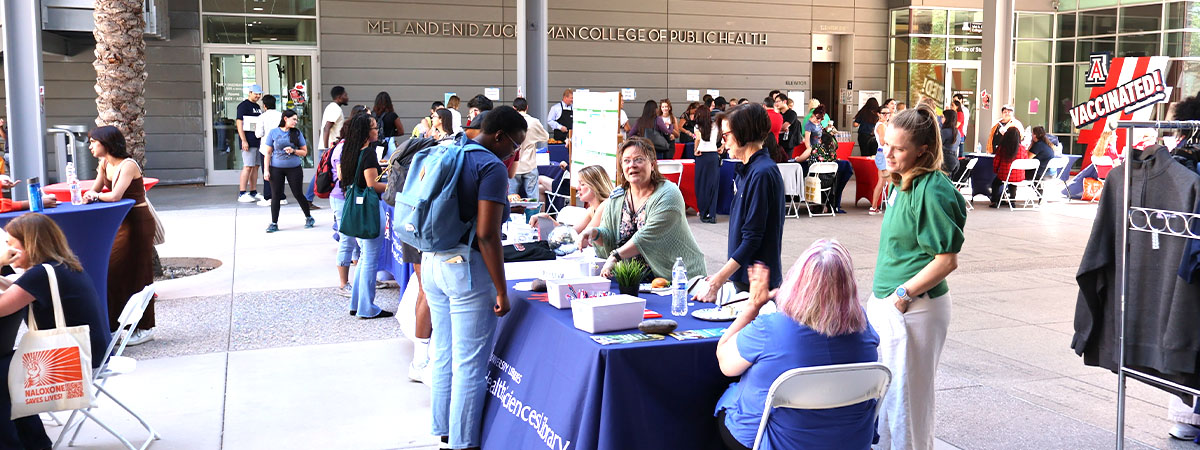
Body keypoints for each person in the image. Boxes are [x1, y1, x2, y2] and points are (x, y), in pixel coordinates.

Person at [423, 106, 526, 450]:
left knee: (444, 351)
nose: (515, 153)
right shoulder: (491, 166)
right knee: (470, 363)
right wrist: (502, 289)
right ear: (499, 136)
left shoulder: (450, 148)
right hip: (465, 268)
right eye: (515, 146)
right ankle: (463, 443)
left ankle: (443, 428)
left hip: (432, 261)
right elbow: (487, 235)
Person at [714, 240, 880, 450]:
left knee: (725, 398)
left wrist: (753, 307)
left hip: (775, 443)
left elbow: (725, 363)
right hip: (851, 441)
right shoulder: (864, 329)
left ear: (798, 281)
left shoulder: (770, 328)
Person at [868, 105, 966, 450]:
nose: (888, 153)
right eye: (886, 144)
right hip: (897, 305)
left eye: (899, 148)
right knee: (889, 398)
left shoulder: (932, 189)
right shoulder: (903, 181)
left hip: (915, 308)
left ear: (922, 150)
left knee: (908, 401)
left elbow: (947, 260)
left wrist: (902, 296)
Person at [0, 213, 112, 449]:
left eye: (10, 243)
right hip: (91, 352)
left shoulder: (41, 275)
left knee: (2, 373)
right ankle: (33, 443)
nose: (7, 248)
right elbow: (14, 286)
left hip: (74, 362)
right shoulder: (60, 266)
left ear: (29, 243)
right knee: (5, 373)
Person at [581, 137, 707, 280]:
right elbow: (611, 237)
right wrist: (595, 233)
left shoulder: (668, 194)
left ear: (653, 164)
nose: (632, 165)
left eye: (639, 159)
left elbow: (647, 236)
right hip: (633, 280)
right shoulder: (617, 197)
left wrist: (615, 256)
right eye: (626, 161)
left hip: (677, 280)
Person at [699, 104, 784, 299]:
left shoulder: (762, 173)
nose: (724, 142)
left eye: (726, 135)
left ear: (743, 133)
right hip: (745, 278)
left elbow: (752, 237)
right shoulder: (747, 170)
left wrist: (719, 279)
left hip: (757, 283)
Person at [82, 125, 157, 345]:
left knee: (139, 273)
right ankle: (113, 326)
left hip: (138, 222)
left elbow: (114, 196)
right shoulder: (104, 163)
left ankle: (145, 327)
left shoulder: (128, 165)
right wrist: (91, 195)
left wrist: (94, 196)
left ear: (106, 143)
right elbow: (96, 190)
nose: (90, 146)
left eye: (94, 142)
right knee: (113, 271)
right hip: (121, 223)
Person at [332, 113, 393, 320]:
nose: (377, 131)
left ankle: (357, 303)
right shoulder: (367, 153)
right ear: (366, 132)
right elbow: (372, 185)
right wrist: (395, 187)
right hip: (368, 208)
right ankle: (367, 307)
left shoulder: (349, 150)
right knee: (369, 259)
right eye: (374, 127)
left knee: (364, 256)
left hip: (354, 207)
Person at [262, 110, 315, 232]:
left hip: (294, 168)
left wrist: (294, 151)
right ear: (285, 118)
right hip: (276, 168)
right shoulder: (273, 132)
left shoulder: (297, 133)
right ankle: (274, 223)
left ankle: (308, 217)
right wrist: (266, 170)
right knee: (275, 195)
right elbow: (268, 153)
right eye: (294, 119)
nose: (296, 122)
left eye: (296, 120)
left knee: (298, 193)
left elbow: (304, 152)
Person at [528, 165, 613, 234]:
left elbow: (582, 238)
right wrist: (547, 218)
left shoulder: (604, 206)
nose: (578, 188)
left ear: (595, 186)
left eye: (582, 184)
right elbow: (571, 234)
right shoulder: (592, 210)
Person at [511, 97, 549, 199]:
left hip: (513, 166)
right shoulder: (534, 122)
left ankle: (513, 215)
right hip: (530, 164)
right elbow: (545, 137)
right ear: (527, 107)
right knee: (533, 198)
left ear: (513, 108)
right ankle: (533, 215)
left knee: (511, 198)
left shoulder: (509, 122)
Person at [692, 106, 722, 223]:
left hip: (702, 156)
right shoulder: (715, 126)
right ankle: (712, 214)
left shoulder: (697, 126)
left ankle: (703, 212)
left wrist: (695, 150)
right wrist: (721, 148)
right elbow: (723, 138)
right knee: (713, 185)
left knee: (701, 185)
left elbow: (698, 139)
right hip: (713, 156)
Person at [254, 94, 284, 206]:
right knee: (279, 172)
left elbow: (258, 134)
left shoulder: (262, 117)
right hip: (279, 147)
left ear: (264, 105)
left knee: (267, 171)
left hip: (265, 148)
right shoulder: (281, 115)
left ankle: (268, 196)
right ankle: (281, 196)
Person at [236, 84, 264, 203]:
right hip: (248, 141)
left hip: (258, 141)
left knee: (255, 167)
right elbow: (239, 123)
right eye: (256, 93)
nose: (258, 96)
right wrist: (244, 140)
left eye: (259, 94)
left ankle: (253, 191)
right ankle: (242, 193)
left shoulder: (257, 107)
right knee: (247, 166)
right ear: (250, 93)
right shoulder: (243, 106)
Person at [989, 127, 1027, 208]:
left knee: (995, 183)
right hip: (1019, 176)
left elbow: (996, 161)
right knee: (1013, 183)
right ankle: (1012, 201)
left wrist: (995, 170)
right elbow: (1025, 161)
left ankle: (994, 200)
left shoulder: (1002, 148)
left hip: (1004, 174)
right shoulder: (1022, 148)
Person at [869, 107, 893, 215]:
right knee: (891, 182)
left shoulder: (883, 125)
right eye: (884, 113)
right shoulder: (882, 126)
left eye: (888, 113)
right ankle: (892, 207)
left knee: (881, 182)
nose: (886, 115)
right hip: (883, 154)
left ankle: (874, 207)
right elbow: (883, 141)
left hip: (881, 154)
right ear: (879, 114)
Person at [940, 109, 960, 175]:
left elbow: (937, 145)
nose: (941, 119)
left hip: (945, 160)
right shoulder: (957, 132)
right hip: (955, 160)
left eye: (942, 117)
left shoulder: (944, 132)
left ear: (947, 119)